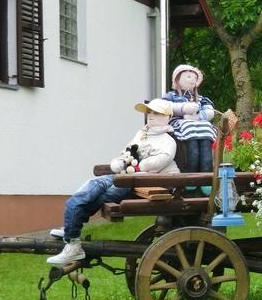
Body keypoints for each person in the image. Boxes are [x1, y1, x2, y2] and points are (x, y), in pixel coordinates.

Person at [47, 99, 180, 266]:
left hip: (147, 182)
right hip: (127, 178)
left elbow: (160, 161)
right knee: (90, 189)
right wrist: (118, 163)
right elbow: (126, 151)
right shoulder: (141, 134)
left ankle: (72, 241)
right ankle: (71, 233)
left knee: (99, 195)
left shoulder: (167, 140)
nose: (151, 116)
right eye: (150, 112)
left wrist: (136, 167)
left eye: (156, 113)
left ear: (167, 117)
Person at [162, 64, 216, 195]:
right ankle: (191, 175)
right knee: (192, 147)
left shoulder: (200, 98)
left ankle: (206, 177)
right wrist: (183, 108)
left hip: (199, 124)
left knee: (206, 135)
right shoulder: (171, 96)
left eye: (193, 78)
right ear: (177, 79)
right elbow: (164, 106)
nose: (191, 80)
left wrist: (203, 114)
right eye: (188, 77)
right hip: (181, 124)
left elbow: (209, 109)